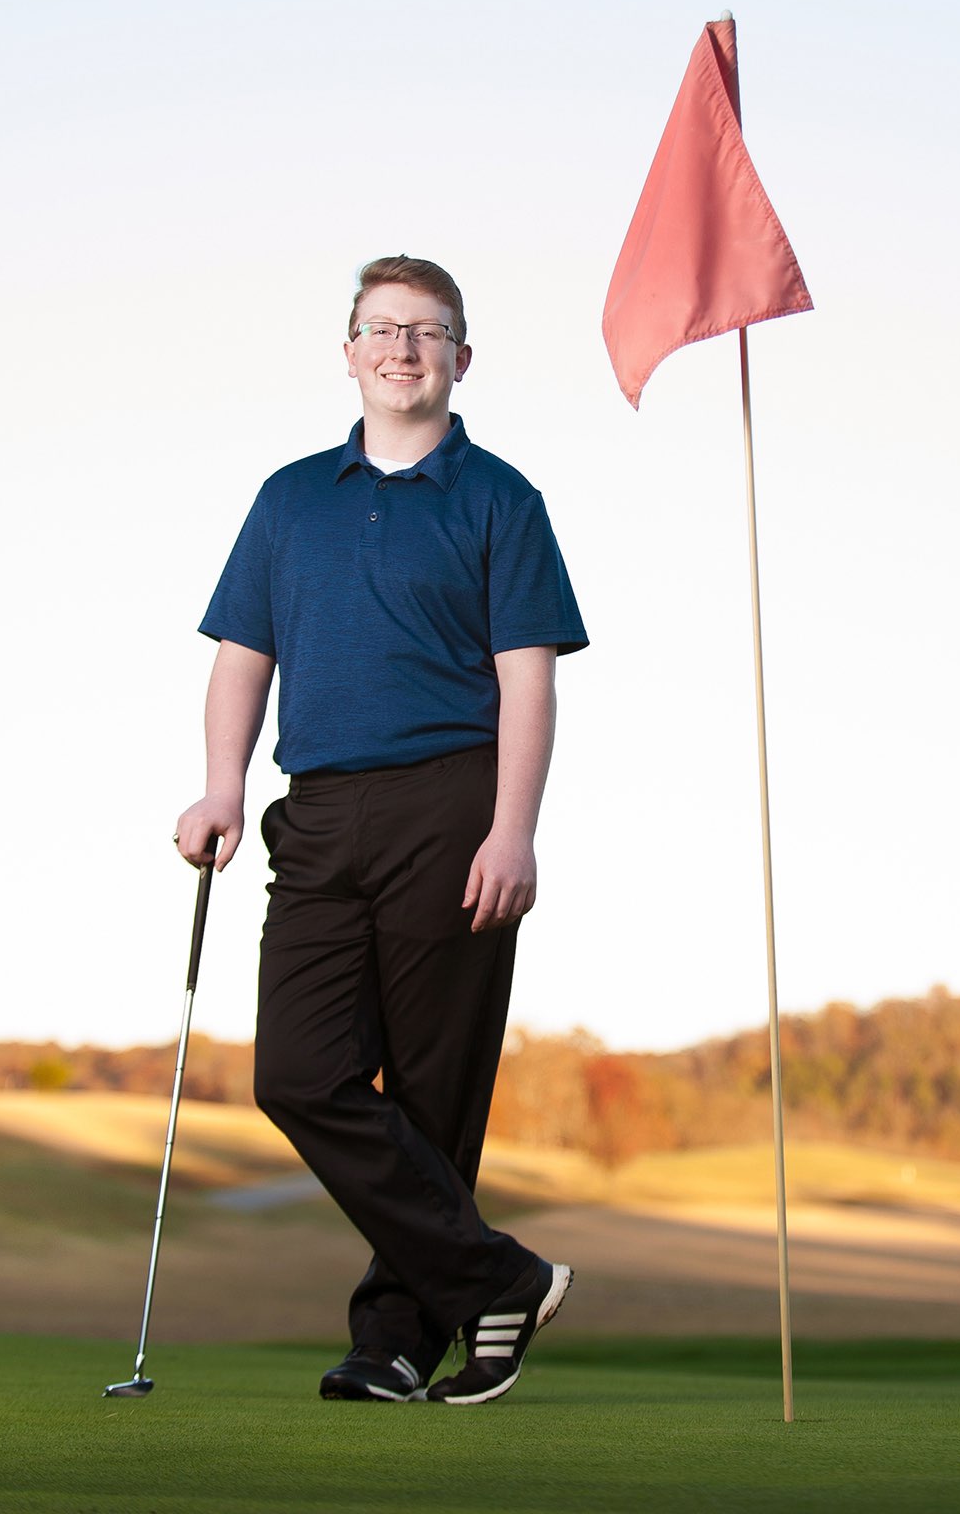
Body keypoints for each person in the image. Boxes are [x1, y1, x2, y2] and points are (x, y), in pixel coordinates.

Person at [173, 255, 586, 1405]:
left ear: (462, 355)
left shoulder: (501, 497)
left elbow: (529, 679)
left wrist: (514, 828)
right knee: (298, 1071)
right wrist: (218, 786)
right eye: (383, 327)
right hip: (316, 808)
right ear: (348, 349)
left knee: (432, 1088)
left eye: (430, 330)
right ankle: (496, 1278)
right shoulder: (288, 496)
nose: (405, 347)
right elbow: (241, 655)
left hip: (452, 805)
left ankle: (393, 1342)